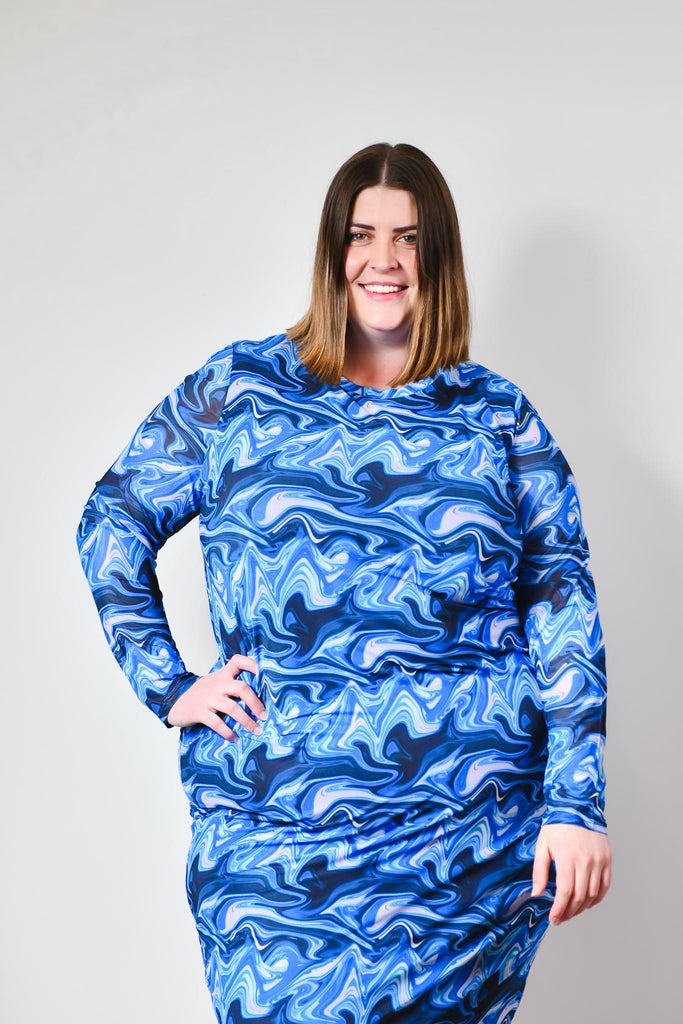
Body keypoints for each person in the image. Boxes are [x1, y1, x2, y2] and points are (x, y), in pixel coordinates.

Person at [76, 141, 611, 1024]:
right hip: (272, 829)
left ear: (439, 256)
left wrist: (575, 803)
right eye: (361, 235)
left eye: (408, 238)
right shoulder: (241, 388)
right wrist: (167, 686)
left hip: (466, 845)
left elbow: (561, 606)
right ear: (333, 251)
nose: (383, 260)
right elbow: (112, 522)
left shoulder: (496, 415)